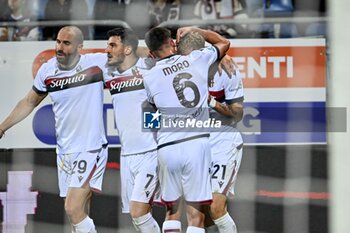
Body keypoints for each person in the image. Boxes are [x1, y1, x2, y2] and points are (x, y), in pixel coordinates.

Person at [0, 26, 108, 233]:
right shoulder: (47, 71)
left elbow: (127, 55)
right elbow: (29, 102)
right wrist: (2, 127)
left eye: (66, 43)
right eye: (58, 42)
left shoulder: (95, 64)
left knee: (72, 207)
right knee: (77, 213)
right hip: (64, 151)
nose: (59, 47)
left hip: (90, 147)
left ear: (79, 47)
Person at [143, 26, 230, 233]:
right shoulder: (196, 59)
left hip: (167, 146)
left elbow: (150, 117)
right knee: (196, 215)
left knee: (172, 211)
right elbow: (224, 43)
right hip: (195, 142)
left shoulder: (149, 76)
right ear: (172, 43)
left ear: (151, 53)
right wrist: (197, 30)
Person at [177, 31, 244, 233]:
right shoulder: (180, 65)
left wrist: (211, 101)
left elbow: (238, 114)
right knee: (199, 215)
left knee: (216, 207)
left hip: (223, 141)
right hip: (196, 142)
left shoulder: (227, 70)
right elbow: (151, 46)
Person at [103, 27, 161, 233]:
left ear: (127, 50)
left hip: (151, 152)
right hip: (127, 155)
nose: (107, 49)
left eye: (112, 45)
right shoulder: (108, 72)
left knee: (139, 211)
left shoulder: (149, 67)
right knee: (137, 217)